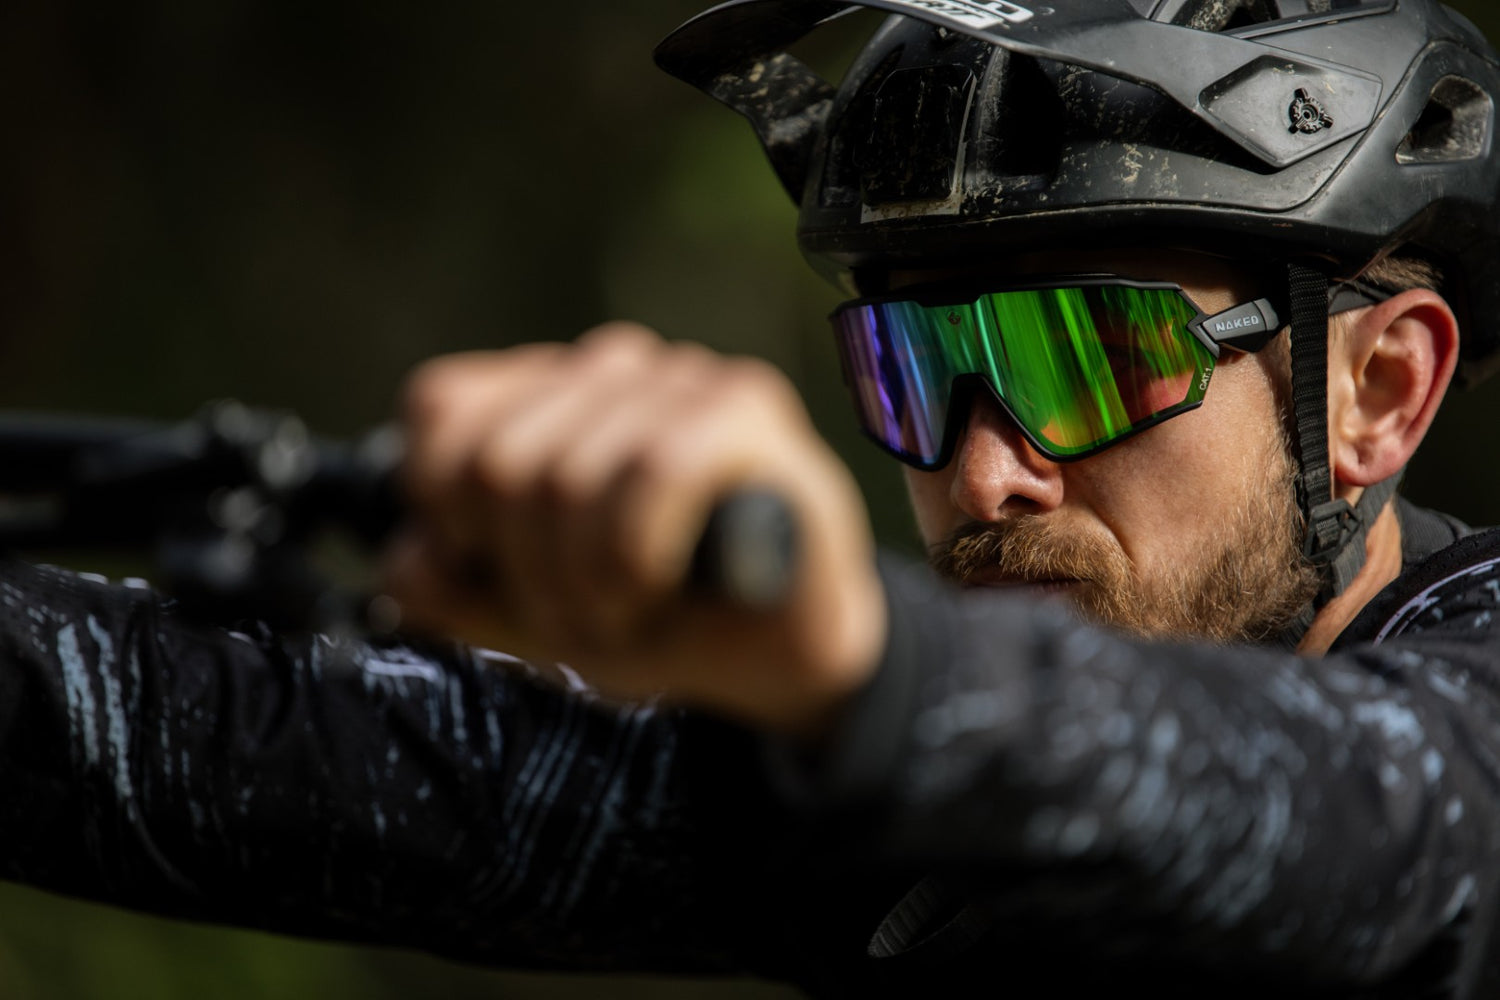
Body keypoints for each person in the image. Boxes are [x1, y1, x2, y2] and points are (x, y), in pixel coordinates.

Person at [4, 0, 1500, 996]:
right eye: (915, 371)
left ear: (1376, 395)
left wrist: (861, 665)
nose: (981, 472)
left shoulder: (1463, 726)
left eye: (1092, 358)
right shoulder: (903, 778)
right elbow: (216, 740)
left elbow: (1350, 816)